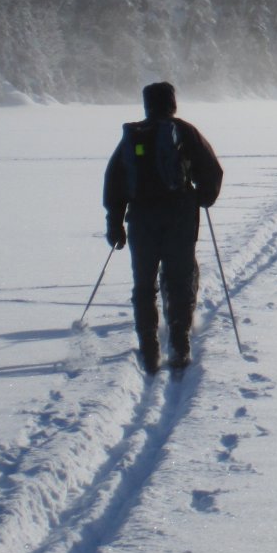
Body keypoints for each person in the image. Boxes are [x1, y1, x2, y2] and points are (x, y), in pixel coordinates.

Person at [103, 82, 224, 373]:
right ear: (172, 103)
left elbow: (115, 179)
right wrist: (204, 196)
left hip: (141, 217)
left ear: (147, 105)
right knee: (179, 276)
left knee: (144, 283)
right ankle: (179, 343)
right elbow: (211, 169)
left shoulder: (134, 136)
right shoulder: (183, 130)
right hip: (179, 213)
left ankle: (148, 346)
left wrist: (114, 222)